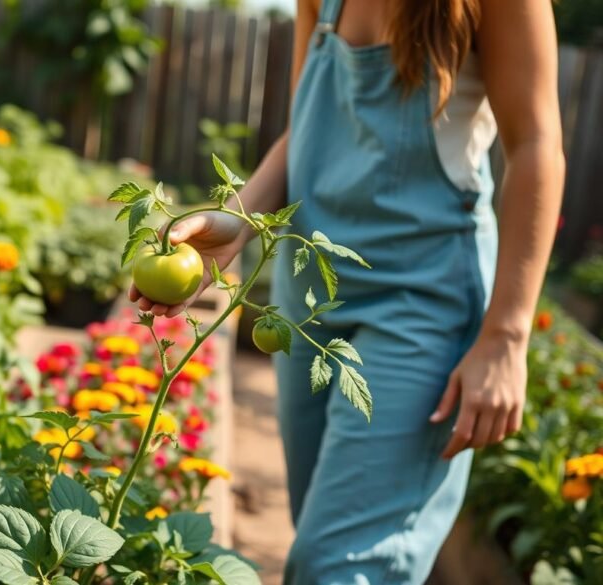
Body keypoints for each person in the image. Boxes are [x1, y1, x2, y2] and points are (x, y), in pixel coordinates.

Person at [129, 0, 565, 582]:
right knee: (317, 532)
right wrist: (239, 218)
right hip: (307, 300)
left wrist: (507, 336)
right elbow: (304, 126)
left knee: (344, 565)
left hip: (421, 302)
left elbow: (537, 145)